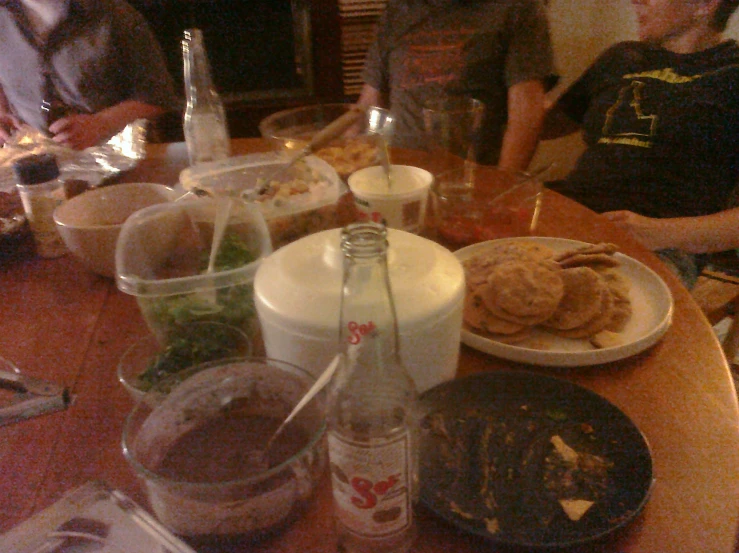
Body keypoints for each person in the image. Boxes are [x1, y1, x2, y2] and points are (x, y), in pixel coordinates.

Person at [544, 0, 739, 287]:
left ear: (705, 4)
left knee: (583, 308)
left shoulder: (732, 75)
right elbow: (545, 126)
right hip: (569, 214)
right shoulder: (621, 57)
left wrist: (658, 232)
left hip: (659, 246)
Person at [357, 0, 556, 173]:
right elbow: (370, 102)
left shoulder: (518, 8)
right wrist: (348, 163)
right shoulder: (397, 11)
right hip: (400, 174)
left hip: (471, 177)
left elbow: (526, 112)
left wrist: (503, 184)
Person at [0, 0, 177, 150]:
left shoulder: (113, 13)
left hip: (120, 161)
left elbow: (159, 96)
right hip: (34, 167)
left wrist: (102, 123)